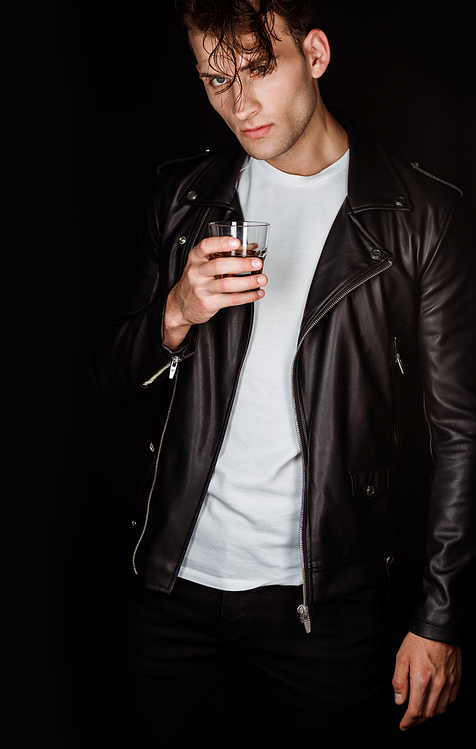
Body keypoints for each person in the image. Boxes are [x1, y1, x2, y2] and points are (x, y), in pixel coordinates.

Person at [88, 1, 475, 745]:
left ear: (317, 55)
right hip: (172, 592)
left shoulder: (420, 216)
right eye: (214, 79)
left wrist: (441, 614)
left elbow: (460, 432)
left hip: (325, 608)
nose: (239, 103)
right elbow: (105, 376)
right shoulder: (185, 199)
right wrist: (174, 312)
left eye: (258, 70)